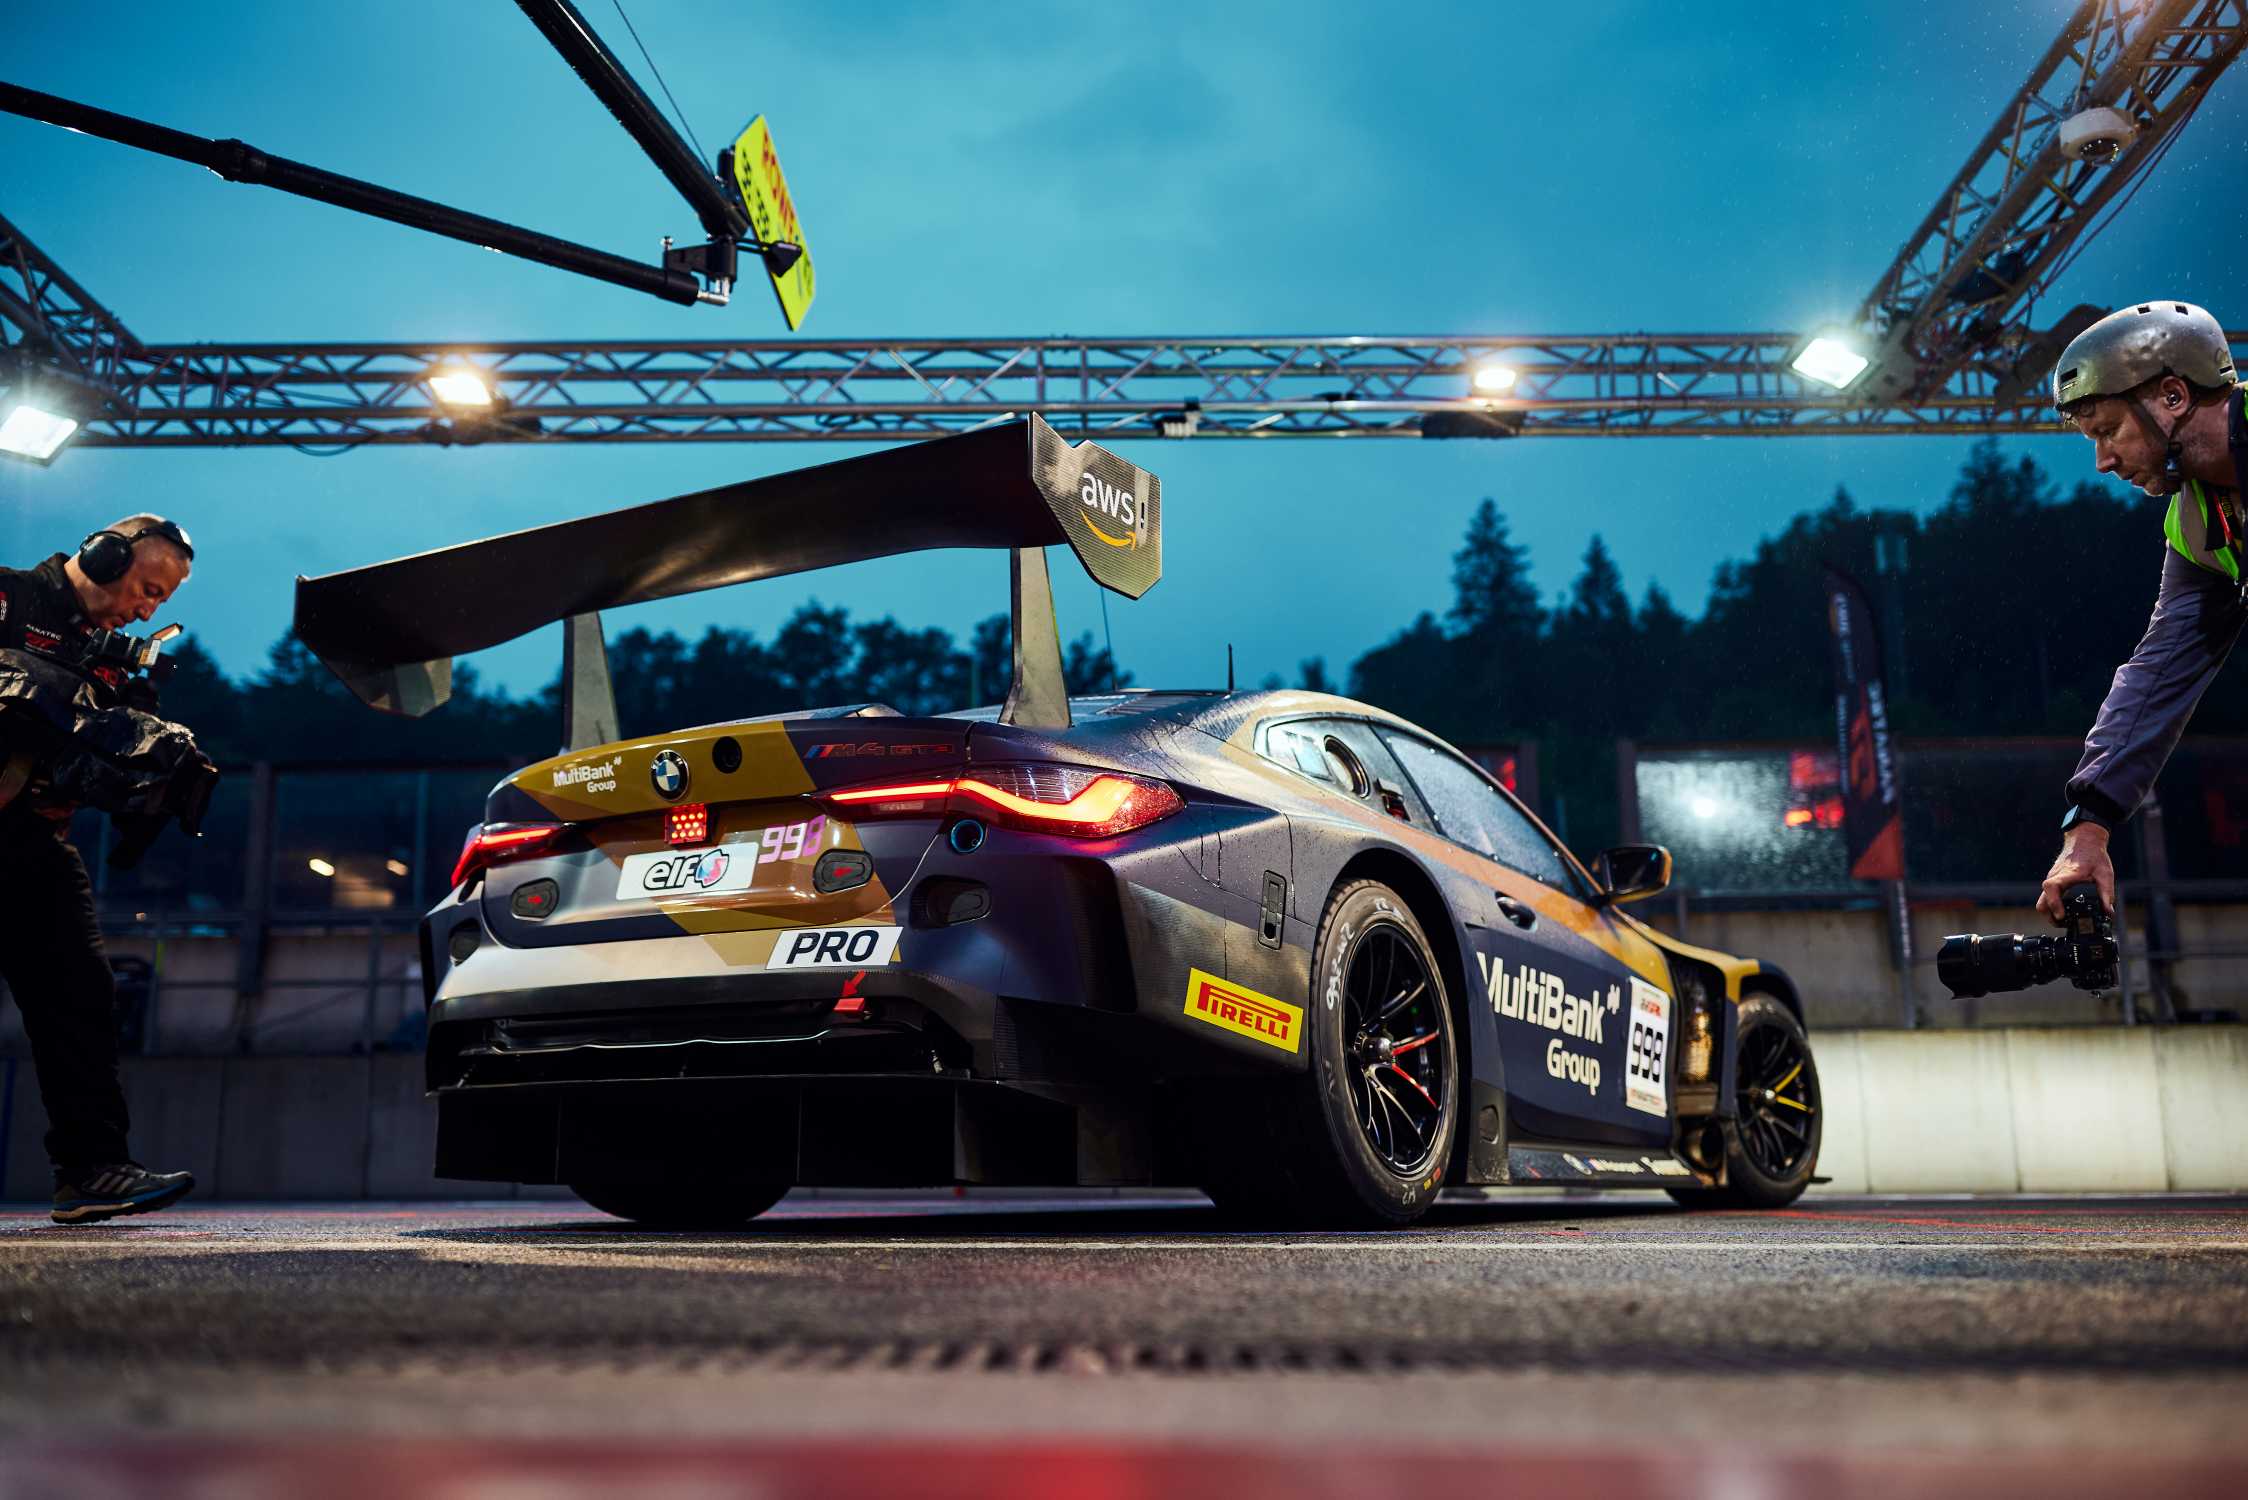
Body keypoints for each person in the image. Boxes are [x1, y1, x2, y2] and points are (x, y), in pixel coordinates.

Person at [0, 515, 200, 1223]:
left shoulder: (119, 660)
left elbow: (104, 759)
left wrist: (154, 772)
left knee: (80, 993)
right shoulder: (9, 598)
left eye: (161, 601)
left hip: (30, 840)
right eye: (147, 589)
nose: (147, 610)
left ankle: (91, 1171)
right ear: (106, 556)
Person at [2041, 302, 2245, 924]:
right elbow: (2156, 677)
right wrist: (2088, 827)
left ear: (2174, 396)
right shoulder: (2196, 526)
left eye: (2108, 431)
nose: (2102, 461)